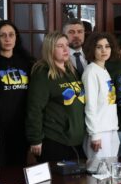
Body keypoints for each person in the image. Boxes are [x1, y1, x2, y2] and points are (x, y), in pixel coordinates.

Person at [25, 32, 86, 163]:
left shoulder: (72, 71)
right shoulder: (43, 73)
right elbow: (35, 108)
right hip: (55, 139)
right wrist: (35, 139)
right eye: (60, 46)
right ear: (50, 49)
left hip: (76, 140)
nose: (65, 49)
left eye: (67, 45)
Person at [0, 20, 35, 168]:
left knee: (18, 171)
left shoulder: (27, 62)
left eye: (11, 35)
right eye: (2, 35)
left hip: (21, 128)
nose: (7, 39)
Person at [81, 32, 120, 163]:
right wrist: (94, 134)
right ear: (92, 49)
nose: (104, 50)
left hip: (111, 128)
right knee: (99, 172)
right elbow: (90, 106)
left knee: (110, 170)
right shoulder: (91, 71)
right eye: (99, 47)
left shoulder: (103, 69)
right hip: (99, 132)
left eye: (107, 46)